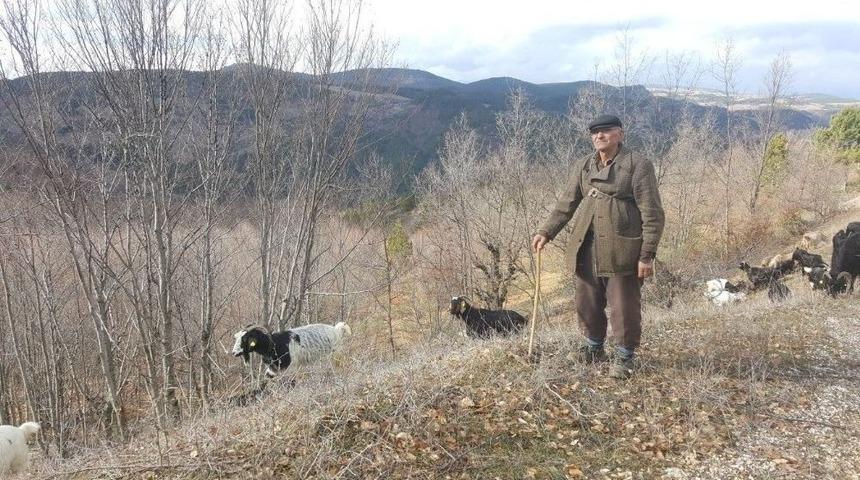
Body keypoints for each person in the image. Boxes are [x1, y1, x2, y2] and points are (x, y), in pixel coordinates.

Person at [531, 114, 664, 379]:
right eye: (595, 132)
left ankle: (625, 357)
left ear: (620, 135)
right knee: (587, 301)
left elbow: (653, 213)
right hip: (587, 247)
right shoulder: (585, 165)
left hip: (623, 249)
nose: (599, 136)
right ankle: (594, 347)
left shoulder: (638, 165)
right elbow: (566, 202)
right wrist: (547, 231)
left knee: (623, 306)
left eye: (605, 131)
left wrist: (646, 256)